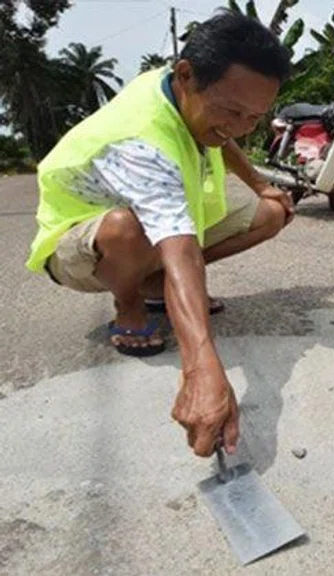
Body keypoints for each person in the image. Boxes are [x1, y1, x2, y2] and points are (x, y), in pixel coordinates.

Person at [25, 11, 295, 458]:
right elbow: (181, 247)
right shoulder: (141, 142)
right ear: (186, 76)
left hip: (160, 226)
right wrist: (201, 366)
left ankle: (158, 286)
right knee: (128, 228)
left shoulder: (184, 89)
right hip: (79, 247)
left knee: (270, 213)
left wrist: (261, 185)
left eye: (256, 116)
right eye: (232, 109)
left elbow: (224, 135)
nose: (242, 125)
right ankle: (130, 302)